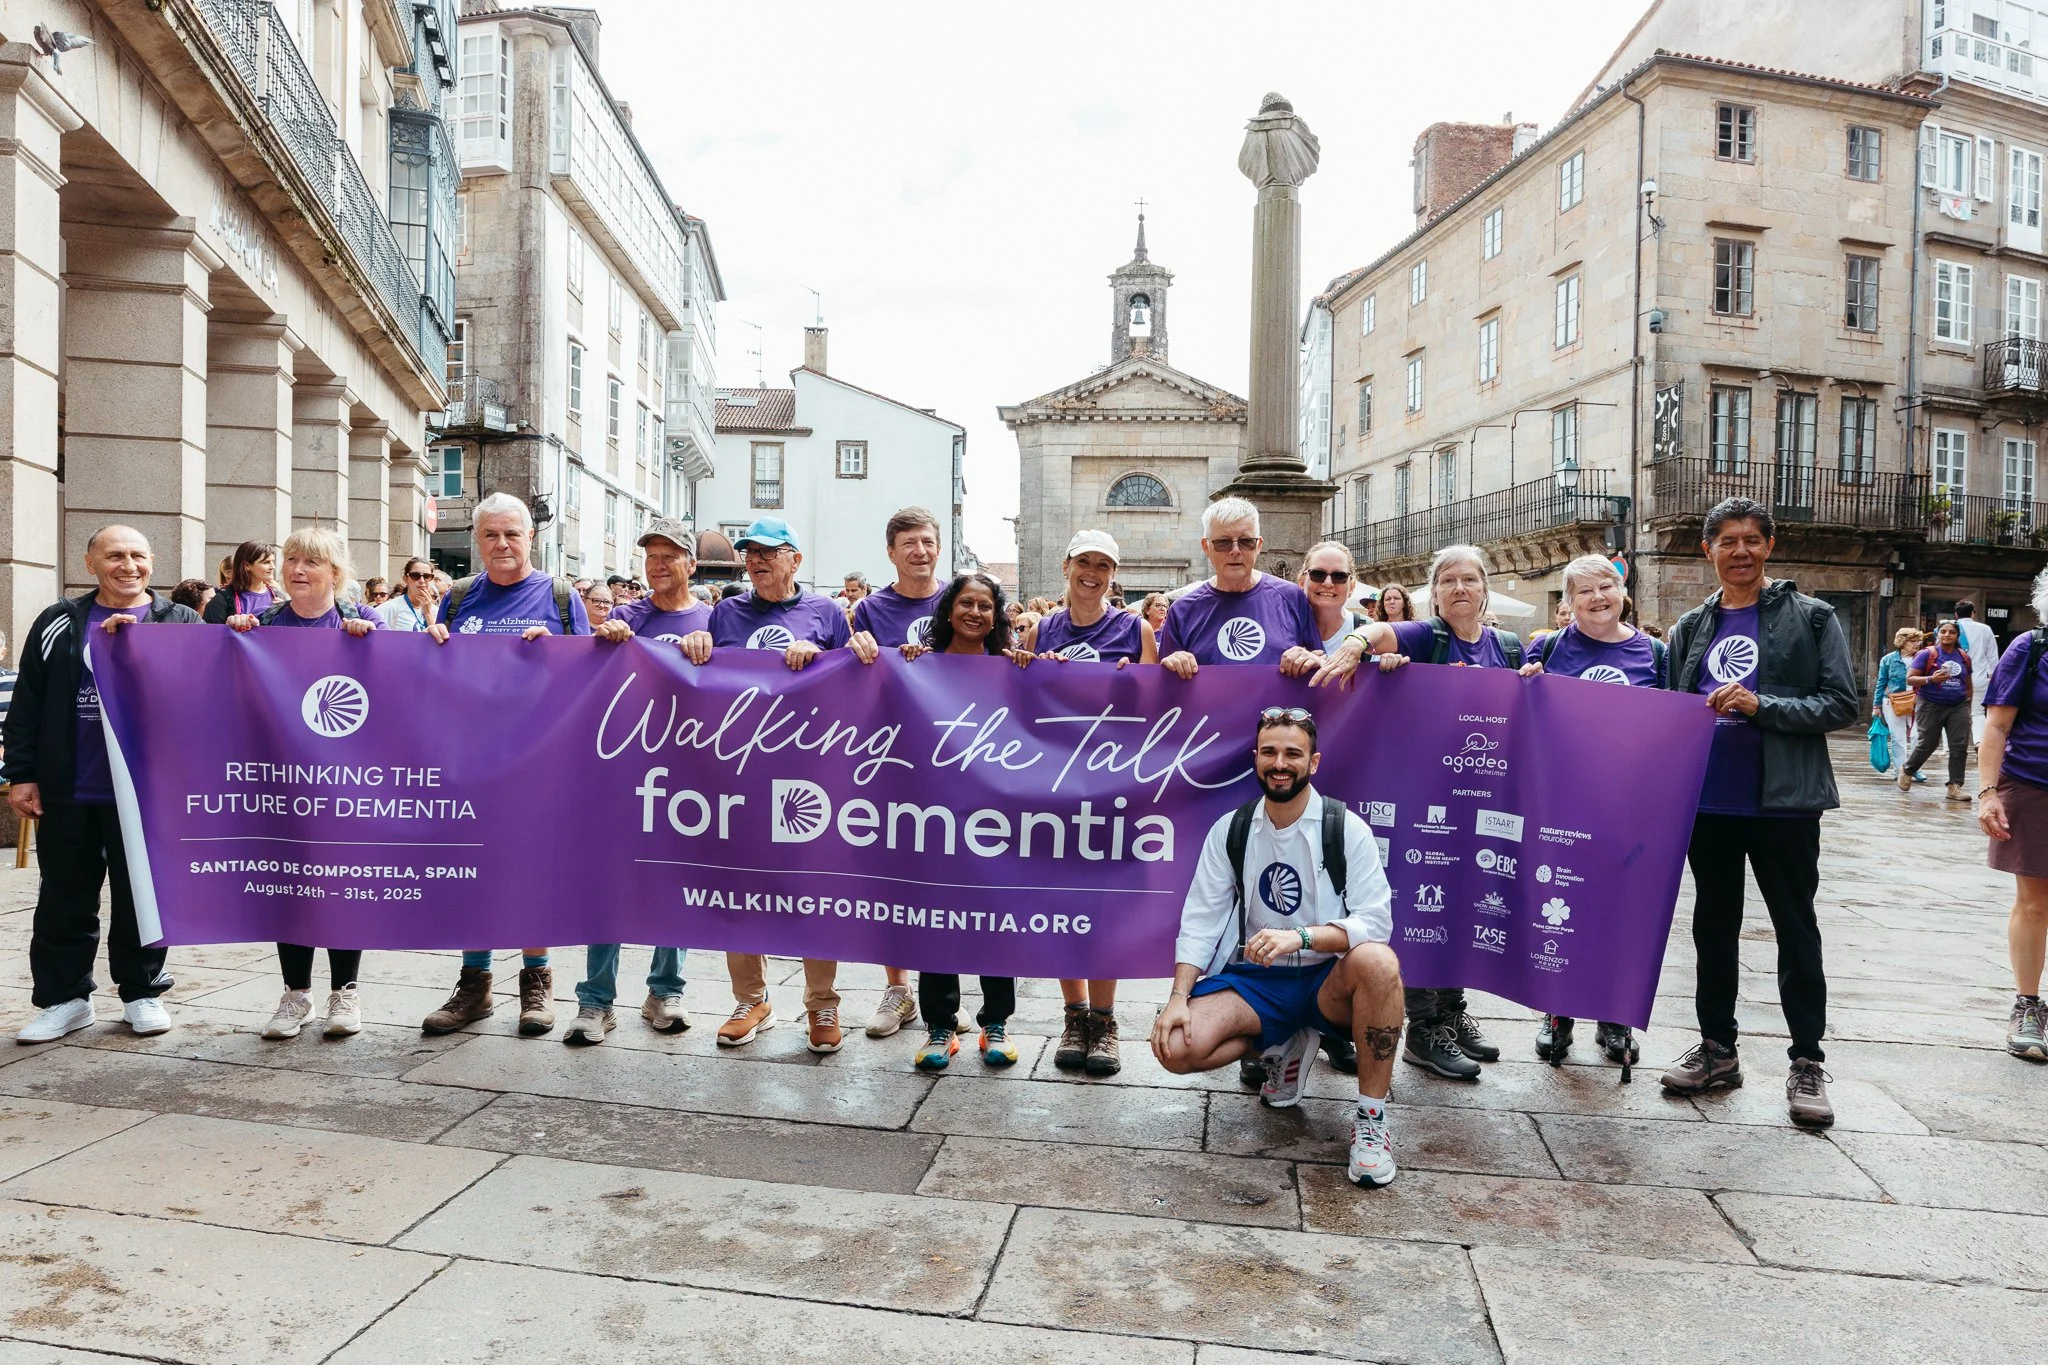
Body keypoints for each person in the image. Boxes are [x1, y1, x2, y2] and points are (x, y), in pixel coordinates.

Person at [1659, 497, 1856, 1127]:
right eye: (1727, 541)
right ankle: (1718, 1048)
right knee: (1712, 927)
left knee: (1796, 929)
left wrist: (1759, 705)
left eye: (1751, 540)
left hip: (1784, 803)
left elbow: (1839, 704)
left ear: (1770, 546)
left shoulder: (1813, 617)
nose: (1739, 551)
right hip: (1710, 802)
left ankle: (1806, 1062)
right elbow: (1667, 708)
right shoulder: (1691, 625)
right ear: (1707, 550)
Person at [1150, 708, 1403, 1188]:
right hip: (1258, 982)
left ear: (1314, 762)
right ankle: (1282, 1043)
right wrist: (1178, 998)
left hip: (1328, 980)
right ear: (1256, 759)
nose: (1279, 763)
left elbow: (1376, 923)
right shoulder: (1233, 828)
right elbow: (1201, 918)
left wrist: (1303, 935)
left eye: (1292, 753)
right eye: (1269, 752)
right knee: (1174, 1048)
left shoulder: (1346, 828)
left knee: (1378, 961)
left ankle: (1371, 1121)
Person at [1312, 544, 1526, 1081]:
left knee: (1465, 903)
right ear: (1433, 592)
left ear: (1483, 588)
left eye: (1469, 580)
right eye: (1448, 580)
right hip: (1429, 798)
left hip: (1486, 795)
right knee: (1429, 908)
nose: (1459, 589)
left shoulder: (1508, 645)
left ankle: (1453, 1012)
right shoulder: (1425, 636)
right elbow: (1379, 635)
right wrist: (1357, 644)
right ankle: (1425, 1027)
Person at [7, 526, 200, 1043]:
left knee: (142, 897)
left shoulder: (178, 620)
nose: (128, 565)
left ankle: (141, 993)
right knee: (64, 897)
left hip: (145, 793)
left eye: (138, 555)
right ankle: (66, 999)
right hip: (70, 786)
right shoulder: (58, 621)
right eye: (114, 555)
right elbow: (28, 701)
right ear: (90, 562)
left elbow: (200, 693)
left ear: (152, 563)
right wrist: (21, 774)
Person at [420, 492, 592, 1039]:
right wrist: (430, 642)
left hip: (540, 763)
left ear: (531, 538)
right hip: (471, 761)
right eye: (491, 535)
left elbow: (591, 679)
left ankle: (536, 980)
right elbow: (431, 678)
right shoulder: (459, 598)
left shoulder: (561, 598)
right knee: (474, 870)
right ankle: (475, 984)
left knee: (532, 872)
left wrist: (559, 651)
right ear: (476, 541)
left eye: (512, 534)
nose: (502, 545)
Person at [709, 515, 881, 1054]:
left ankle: (822, 1003)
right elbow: (703, 680)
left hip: (810, 776)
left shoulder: (827, 612)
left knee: (814, 889)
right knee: (741, 887)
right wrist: (693, 641)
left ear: (795, 560)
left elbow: (859, 678)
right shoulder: (725, 612)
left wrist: (834, 657)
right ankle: (751, 999)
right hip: (739, 773)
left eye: (769, 552)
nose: (756, 561)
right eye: (749, 553)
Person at [223, 528, 379, 1040]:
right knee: (290, 884)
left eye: (312, 561)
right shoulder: (262, 623)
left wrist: (373, 645)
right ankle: (296, 995)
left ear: (336, 573)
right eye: (290, 559)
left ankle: (345, 994)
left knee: (342, 883)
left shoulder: (364, 623)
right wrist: (232, 637)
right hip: (282, 779)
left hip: (347, 782)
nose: (297, 569)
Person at [1019, 530, 1159, 1076]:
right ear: (1066, 565)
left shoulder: (1134, 627)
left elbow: (1157, 707)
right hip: (1054, 789)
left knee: (1105, 906)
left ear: (1113, 573)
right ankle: (1073, 1014)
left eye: (1103, 564)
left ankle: (1104, 1020)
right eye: (1084, 562)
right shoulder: (1042, 628)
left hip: (1112, 787)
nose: (1092, 573)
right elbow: (1022, 702)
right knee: (1062, 903)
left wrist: (1132, 685)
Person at [1517, 554, 1666, 1067]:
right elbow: (1523, 720)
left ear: (1622, 592)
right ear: (1568, 602)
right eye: (1585, 591)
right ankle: (1557, 1011)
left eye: (1607, 586)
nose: (1598, 597)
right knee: (1559, 910)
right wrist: (1527, 687)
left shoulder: (1655, 652)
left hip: (1629, 809)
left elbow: (1672, 726)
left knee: (1619, 913)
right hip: (1562, 804)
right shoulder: (1550, 648)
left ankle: (1614, 1013)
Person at [572, 517, 712, 1045]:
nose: (657, 564)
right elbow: (588, 675)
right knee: (609, 879)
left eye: (668, 555)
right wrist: (603, 641)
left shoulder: (713, 619)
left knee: (672, 879)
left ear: (690, 565)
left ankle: (665, 990)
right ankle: (594, 1000)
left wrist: (709, 646)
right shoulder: (626, 616)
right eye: (650, 556)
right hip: (623, 769)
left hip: (685, 772)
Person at [900, 572, 1030, 1070]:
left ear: (997, 616)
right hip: (933, 817)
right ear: (949, 609)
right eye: (966, 603)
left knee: (995, 920)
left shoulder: (1012, 669)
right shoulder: (922, 665)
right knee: (937, 919)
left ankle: (995, 1023)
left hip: (995, 821)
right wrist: (905, 664)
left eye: (985, 605)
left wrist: (1035, 669)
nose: (975, 613)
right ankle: (939, 1027)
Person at [850, 507, 949, 1039]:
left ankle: (946, 993)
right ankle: (898, 989)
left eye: (928, 542)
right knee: (893, 877)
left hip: (955, 762)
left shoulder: (958, 600)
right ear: (891, 552)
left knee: (949, 879)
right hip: (890, 760)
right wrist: (855, 649)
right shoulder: (869, 609)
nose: (920, 551)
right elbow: (853, 677)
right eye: (909, 543)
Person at [1978, 569, 2048, 1059]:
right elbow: (1997, 726)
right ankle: (2028, 1005)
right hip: (2033, 785)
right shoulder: (2030, 648)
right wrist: (1987, 792)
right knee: (2035, 900)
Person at [1158, 498, 1323, 684]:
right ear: (1206, 547)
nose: (1235, 550)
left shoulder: (1292, 598)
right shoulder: (1182, 611)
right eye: (1223, 542)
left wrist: (1309, 660)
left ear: (1259, 545)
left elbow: (1318, 669)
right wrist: (1172, 664)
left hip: (1277, 713)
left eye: (1246, 542)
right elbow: (1166, 687)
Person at [1901, 620, 1973, 801]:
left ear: (1958, 636)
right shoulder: (1927, 654)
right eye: (1943, 631)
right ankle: (1908, 769)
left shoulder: (1963, 656)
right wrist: (1931, 679)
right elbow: (1910, 679)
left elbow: (1968, 682)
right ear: (1937, 634)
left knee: (1959, 746)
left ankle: (1955, 786)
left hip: (1958, 704)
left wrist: (1967, 701)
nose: (1947, 635)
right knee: (1928, 743)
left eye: (1951, 632)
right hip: (1931, 704)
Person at [1873, 627, 1923, 781]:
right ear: (1902, 643)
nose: (1916, 644)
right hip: (1893, 701)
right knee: (1898, 738)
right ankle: (1900, 771)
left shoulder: (1922, 657)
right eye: (1912, 641)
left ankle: (1914, 768)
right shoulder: (1888, 659)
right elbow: (1881, 682)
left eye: (1917, 641)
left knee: (1918, 736)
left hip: (1918, 700)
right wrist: (1876, 706)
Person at [1297, 541, 1362, 655]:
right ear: (1302, 582)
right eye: (1317, 574)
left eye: (1339, 576)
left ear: (1352, 586)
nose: (1328, 583)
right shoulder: (1283, 630)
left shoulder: (1369, 633)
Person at [202, 540, 277, 623]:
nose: (273, 567)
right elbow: (210, 633)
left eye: (272, 562)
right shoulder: (223, 600)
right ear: (247, 566)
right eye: (266, 562)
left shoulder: (277, 596)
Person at [1957, 599, 1999, 748]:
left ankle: (1950, 747)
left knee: (1950, 711)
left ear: (1956, 614)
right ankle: (1979, 742)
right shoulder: (1985, 629)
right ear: (1973, 613)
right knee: (1978, 713)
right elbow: (1993, 656)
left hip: (1956, 679)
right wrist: (1994, 676)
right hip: (1979, 678)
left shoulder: (1948, 629)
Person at [378, 558, 441, 633]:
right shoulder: (393, 607)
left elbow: (440, 640)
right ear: (405, 579)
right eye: (415, 576)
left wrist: (428, 613)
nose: (422, 580)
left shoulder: (435, 610)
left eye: (427, 576)